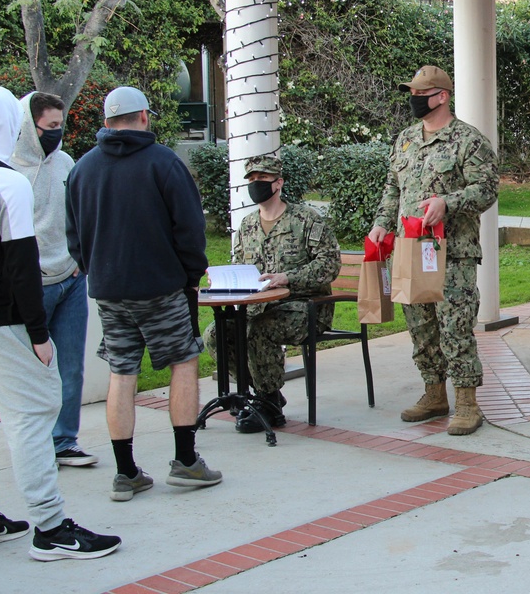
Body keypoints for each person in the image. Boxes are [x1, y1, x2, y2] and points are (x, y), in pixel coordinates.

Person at [0, 84, 120, 561]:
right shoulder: (7, 180)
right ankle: (51, 526)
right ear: (11, 122)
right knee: (33, 415)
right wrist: (39, 335)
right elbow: (21, 266)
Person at [65, 86, 221, 502]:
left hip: (109, 291)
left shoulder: (82, 169)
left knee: (122, 371)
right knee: (184, 362)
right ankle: (186, 462)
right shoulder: (164, 162)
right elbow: (189, 229)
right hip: (160, 288)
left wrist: (95, 268)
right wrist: (191, 274)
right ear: (145, 118)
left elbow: (74, 237)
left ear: (106, 121)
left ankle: (125, 472)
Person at [367, 65, 497, 436]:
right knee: (421, 326)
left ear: (441, 96)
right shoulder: (405, 140)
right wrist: (381, 223)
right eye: (412, 93)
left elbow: (487, 190)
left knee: (454, 327)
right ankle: (434, 393)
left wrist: (448, 202)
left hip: (452, 254)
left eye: (420, 94)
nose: (413, 100)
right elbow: (392, 187)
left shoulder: (468, 141)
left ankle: (467, 403)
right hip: (410, 250)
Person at [204, 155, 341, 433]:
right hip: (258, 307)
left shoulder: (305, 219)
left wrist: (287, 277)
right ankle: (262, 393)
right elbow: (241, 267)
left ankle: (268, 405)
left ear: (278, 183)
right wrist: (223, 277)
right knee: (216, 334)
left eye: (262, 180)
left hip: (304, 307)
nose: (256, 185)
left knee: (258, 331)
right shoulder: (247, 226)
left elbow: (329, 265)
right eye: (252, 180)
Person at [11, 91, 97, 467]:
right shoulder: (9, 171)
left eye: (60, 126)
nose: (57, 134)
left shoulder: (66, 162)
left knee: (71, 365)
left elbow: (82, 212)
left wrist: (80, 259)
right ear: (30, 128)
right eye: (50, 127)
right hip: (32, 285)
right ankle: (34, 446)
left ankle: (64, 441)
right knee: (29, 369)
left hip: (71, 279)